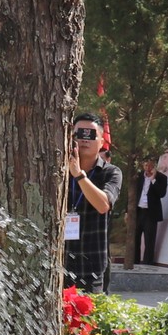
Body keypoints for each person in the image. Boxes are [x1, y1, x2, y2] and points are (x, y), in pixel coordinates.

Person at [64, 110, 123, 291]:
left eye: (90, 135)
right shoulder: (57, 169)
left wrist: (79, 176)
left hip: (91, 266)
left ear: (102, 142)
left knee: (89, 318)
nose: (84, 139)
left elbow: (103, 205)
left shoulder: (110, 172)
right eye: (79, 134)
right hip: (57, 263)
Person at [133, 157, 168, 267]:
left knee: (149, 240)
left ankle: (147, 263)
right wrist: (127, 212)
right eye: (145, 166)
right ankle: (135, 261)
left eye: (150, 166)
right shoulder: (138, 176)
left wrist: (153, 179)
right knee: (135, 239)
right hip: (138, 211)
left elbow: (161, 193)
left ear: (154, 166)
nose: (148, 168)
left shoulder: (162, 178)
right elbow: (132, 194)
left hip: (151, 213)